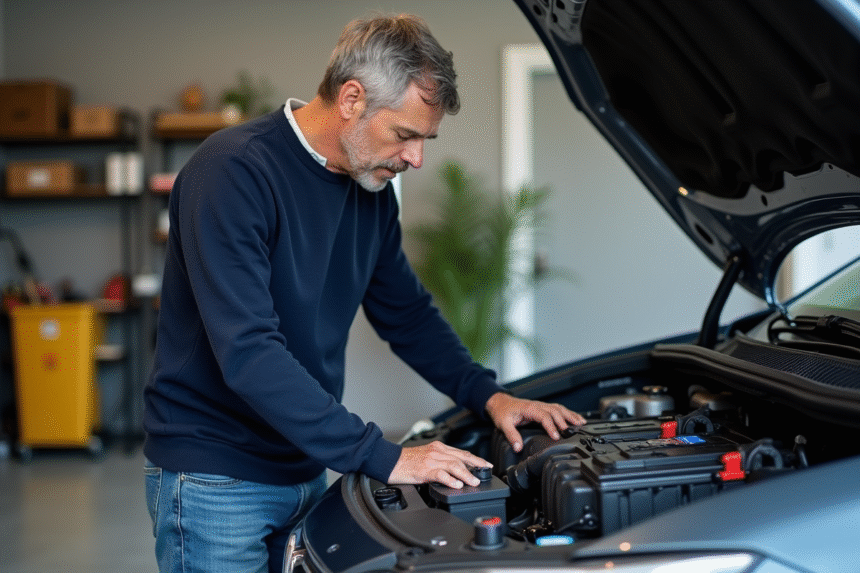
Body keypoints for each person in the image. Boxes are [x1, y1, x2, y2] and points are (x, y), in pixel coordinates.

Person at [143, 13, 586, 573]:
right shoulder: (232, 173)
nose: (415, 159)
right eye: (405, 135)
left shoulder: (370, 193)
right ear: (351, 98)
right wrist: (386, 457)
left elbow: (408, 316)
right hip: (216, 475)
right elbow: (249, 353)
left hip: (304, 467)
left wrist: (489, 396)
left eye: (425, 140)